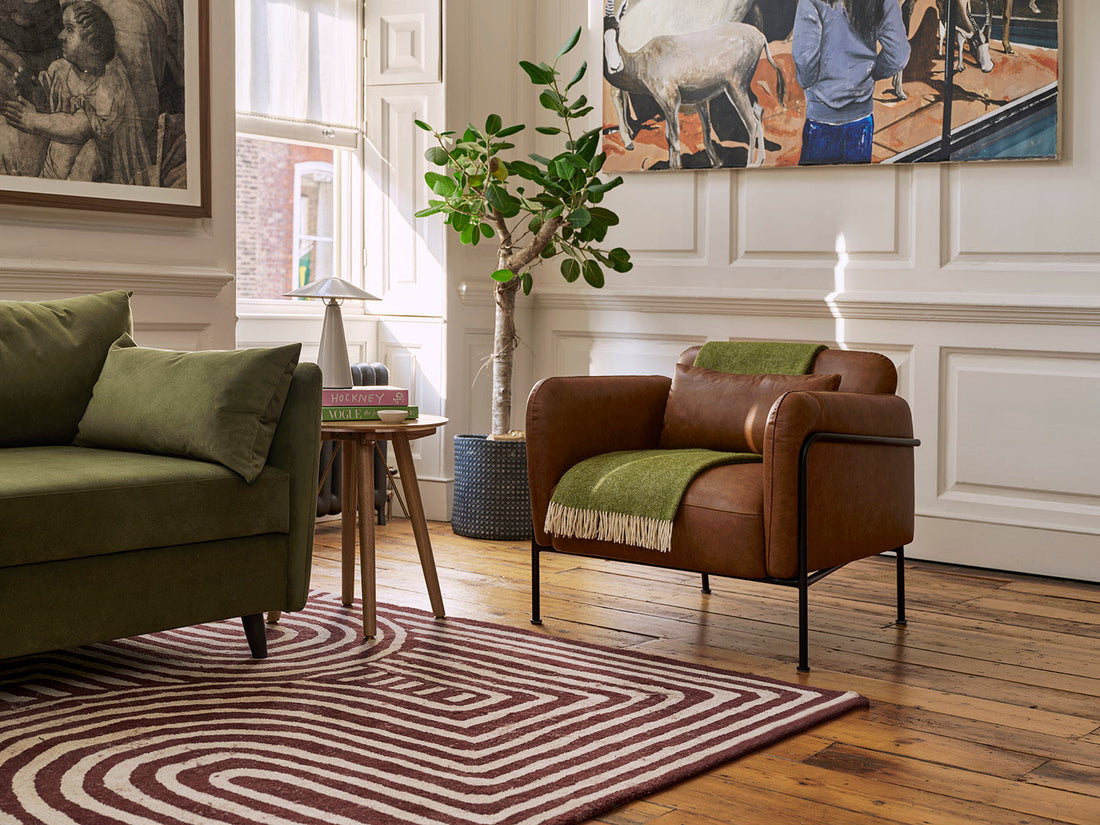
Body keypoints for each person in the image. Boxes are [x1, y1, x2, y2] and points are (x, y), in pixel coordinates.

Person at [1, 0, 151, 183]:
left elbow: (78, 128)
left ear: (95, 44)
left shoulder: (110, 83)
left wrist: (30, 120)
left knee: (90, 154)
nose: (60, 36)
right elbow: (51, 108)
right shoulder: (60, 69)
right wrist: (36, 95)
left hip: (94, 174)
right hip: (56, 163)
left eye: (70, 29)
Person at [792, 0, 910, 164]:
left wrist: (809, 83)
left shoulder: (811, 2)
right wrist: (871, 73)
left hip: (821, 115)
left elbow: (804, 59)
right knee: (857, 184)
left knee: (815, 185)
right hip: (861, 117)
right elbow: (899, 54)